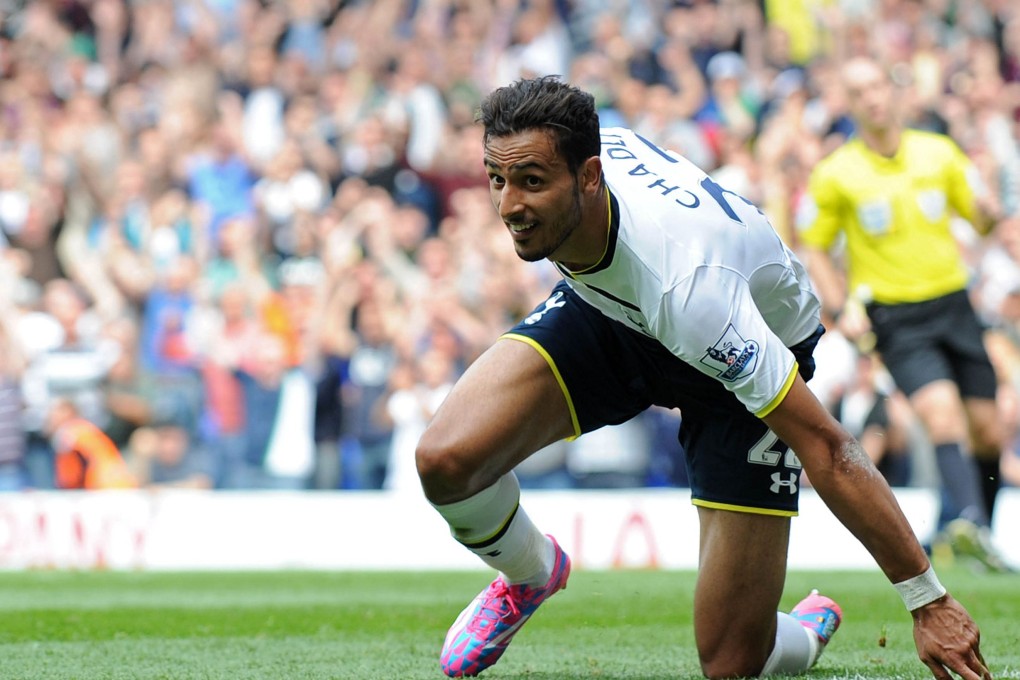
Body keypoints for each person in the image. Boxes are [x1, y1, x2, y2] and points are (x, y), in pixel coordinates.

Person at [414, 76, 991, 679]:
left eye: (531, 182)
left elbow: (827, 445)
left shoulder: (688, 288)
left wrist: (928, 600)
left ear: (590, 176)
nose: (508, 206)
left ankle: (803, 630)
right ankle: (531, 575)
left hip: (739, 339)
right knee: (445, 460)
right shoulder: (576, 166)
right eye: (496, 179)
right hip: (615, 309)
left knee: (732, 663)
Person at [798, 56, 1010, 572]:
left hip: (953, 303)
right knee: (941, 413)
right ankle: (972, 526)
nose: (871, 97)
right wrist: (843, 303)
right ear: (849, 104)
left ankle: (953, 530)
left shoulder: (938, 154)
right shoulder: (836, 174)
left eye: (876, 85)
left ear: (892, 92)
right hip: (895, 314)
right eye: (859, 90)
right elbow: (817, 247)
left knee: (989, 429)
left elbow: (981, 222)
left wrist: (988, 207)